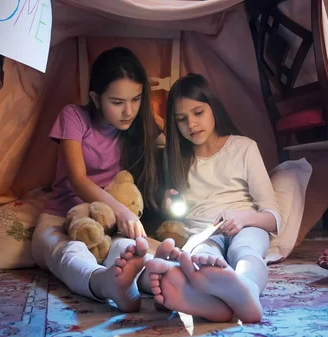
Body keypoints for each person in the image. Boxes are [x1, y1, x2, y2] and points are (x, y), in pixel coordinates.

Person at [31, 47, 172, 313]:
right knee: (68, 252)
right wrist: (123, 213)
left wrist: (152, 117)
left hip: (107, 224)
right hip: (61, 219)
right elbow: (78, 180)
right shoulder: (74, 116)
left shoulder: (138, 124)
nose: (128, 111)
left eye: (137, 99)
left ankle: (160, 280)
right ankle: (103, 283)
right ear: (96, 98)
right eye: (117, 102)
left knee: (127, 248)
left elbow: (176, 140)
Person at [145, 73, 282, 323]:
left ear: (213, 108)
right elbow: (176, 215)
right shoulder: (174, 158)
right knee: (203, 256)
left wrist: (243, 218)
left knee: (245, 250)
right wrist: (167, 205)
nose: (192, 124)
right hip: (202, 231)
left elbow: (273, 218)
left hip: (246, 225)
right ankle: (206, 300)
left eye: (198, 113)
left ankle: (248, 289)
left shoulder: (244, 147)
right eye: (181, 119)